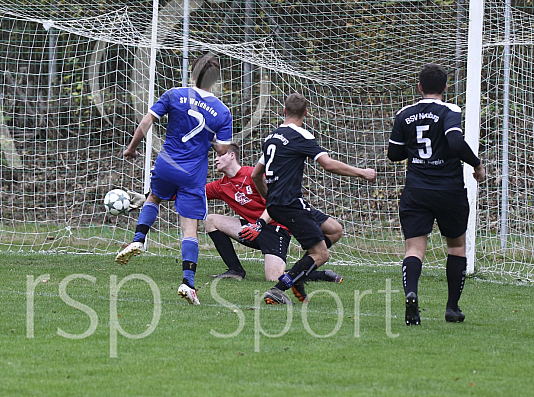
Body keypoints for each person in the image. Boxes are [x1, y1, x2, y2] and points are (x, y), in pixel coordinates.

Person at [114, 53, 233, 306]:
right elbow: (223, 150)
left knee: (154, 197)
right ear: (216, 79)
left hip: (166, 164)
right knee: (189, 229)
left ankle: (138, 239)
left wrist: (132, 148)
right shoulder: (222, 112)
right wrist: (210, 139)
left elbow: (147, 120)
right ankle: (188, 283)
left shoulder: (174, 94)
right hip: (192, 174)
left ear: (192, 73)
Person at [251, 93, 377, 305]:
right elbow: (328, 164)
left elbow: (256, 175)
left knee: (335, 230)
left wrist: (270, 201)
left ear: (284, 111)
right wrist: (361, 172)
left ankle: (297, 274)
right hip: (290, 204)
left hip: (281, 204)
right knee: (321, 254)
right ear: (306, 113)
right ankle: (279, 289)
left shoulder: (271, 137)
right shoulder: (301, 135)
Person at [387, 63, 486, 325]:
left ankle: (411, 294)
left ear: (419, 86)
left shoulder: (404, 113)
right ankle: (452, 308)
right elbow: (454, 141)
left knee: (414, 248)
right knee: (456, 247)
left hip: (416, 190)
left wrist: (415, 152)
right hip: (449, 190)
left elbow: (394, 154)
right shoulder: (450, 110)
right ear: (445, 87)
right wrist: (476, 164)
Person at [205, 143, 344, 296]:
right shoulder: (220, 185)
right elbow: (193, 193)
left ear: (232, 155)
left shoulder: (253, 175)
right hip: (253, 230)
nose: (215, 159)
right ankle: (235, 271)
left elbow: (275, 204)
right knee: (211, 220)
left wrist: (259, 224)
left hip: (275, 227)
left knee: (274, 277)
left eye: (219, 155)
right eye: (215, 156)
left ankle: (318, 273)